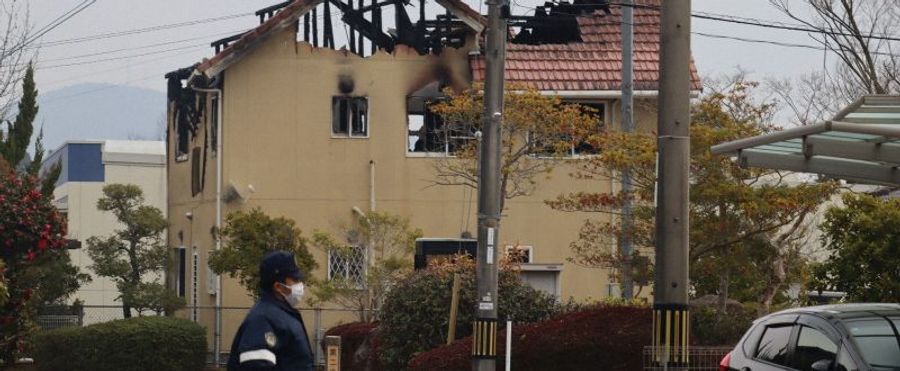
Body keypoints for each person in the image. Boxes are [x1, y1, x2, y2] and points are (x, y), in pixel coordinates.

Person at [227, 251, 314, 371]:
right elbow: (256, 366)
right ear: (278, 286)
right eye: (295, 279)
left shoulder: (282, 315)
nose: (300, 284)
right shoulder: (262, 319)